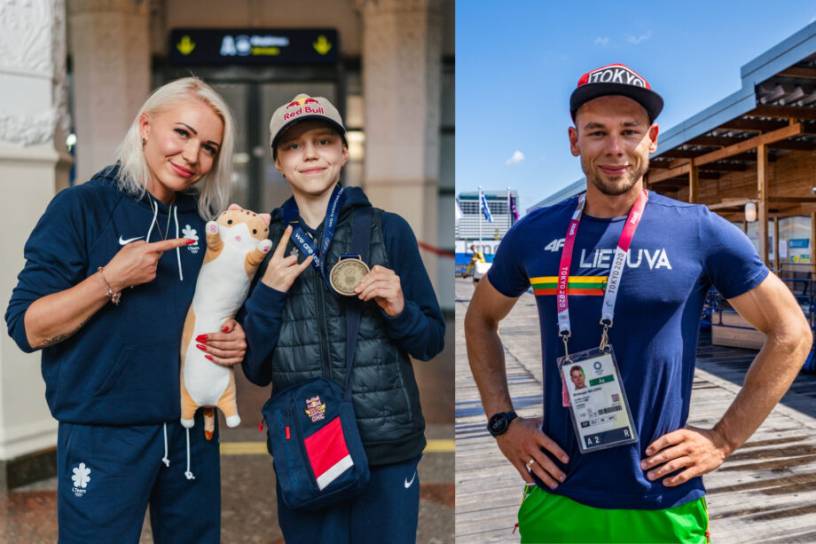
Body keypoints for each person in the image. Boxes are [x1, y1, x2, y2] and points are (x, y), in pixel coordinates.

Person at [464, 63, 812, 543]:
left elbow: (791, 332)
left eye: (629, 131)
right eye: (597, 132)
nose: (614, 148)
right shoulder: (534, 233)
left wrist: (725, 438)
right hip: (557, 492)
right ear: (573, 141)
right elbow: (480, 318)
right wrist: (502, 421)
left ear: (651, 138)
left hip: (663, 500)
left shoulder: (697, 230)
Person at [5, 77, 246, 543]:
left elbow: (226, 312)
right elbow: (27, 327)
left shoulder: (207, 224)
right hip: (104, 436)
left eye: (209, 146)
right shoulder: (82, 207)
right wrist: (109, 279)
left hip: (193, 432)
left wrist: (239, 337)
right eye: (182, 133)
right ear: (145, 126)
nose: (193, 156)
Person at [240, 94, 445, 543]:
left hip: (387, 442)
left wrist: (399, 309)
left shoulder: (387, 230)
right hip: (308, 443)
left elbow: (430, 341)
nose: (310, 153)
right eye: (293, 146)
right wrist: (269, 293)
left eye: (323, 140)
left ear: (343, 152)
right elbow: (254, 368)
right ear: (278, 161)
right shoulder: (262, 246)